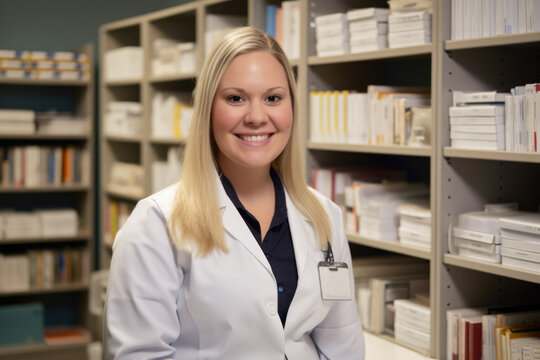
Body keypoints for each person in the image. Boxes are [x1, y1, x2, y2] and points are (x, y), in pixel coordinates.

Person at [104, 26, 365, 360]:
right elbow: (138, 355)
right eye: (235, 98)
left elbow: (343, 344)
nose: (257, 117)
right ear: (208, 110)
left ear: (291, 107)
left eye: (273, 98)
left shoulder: (323, 215)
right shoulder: (156, 222)